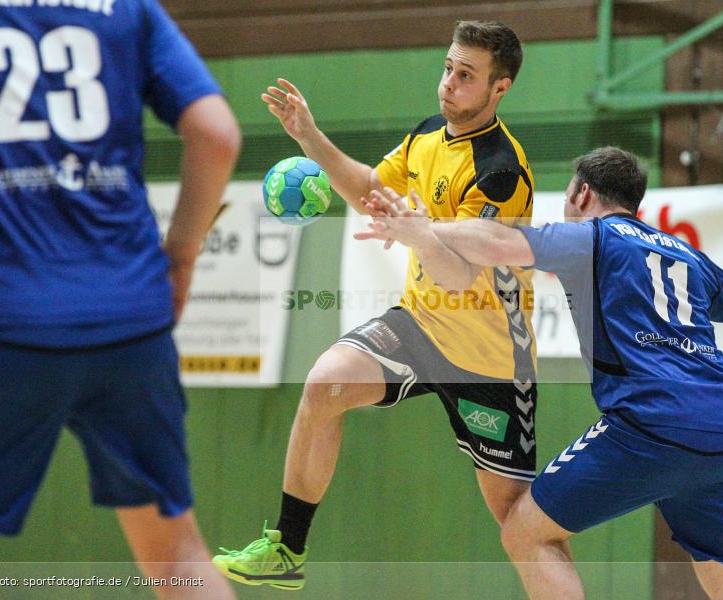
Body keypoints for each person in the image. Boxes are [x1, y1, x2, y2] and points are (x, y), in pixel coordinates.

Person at [357, 146, 723, 600]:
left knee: (525, 533)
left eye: (567, 195)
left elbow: (500, 243)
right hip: (720, 429)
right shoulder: (686, 254)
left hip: (650, 423)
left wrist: (423, 228)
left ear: (582, 194)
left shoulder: (593, 238)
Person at [213, 20, 540, 590]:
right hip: (420, 325)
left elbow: (462, 276)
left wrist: (416, 234)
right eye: (447, 68)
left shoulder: (500, 173)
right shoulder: (426, 136)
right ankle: (288, 548)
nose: (449, 84)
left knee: (516, 522)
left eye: (466, 76)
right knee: (324, 384)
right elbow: (370, 187)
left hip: (488, 360)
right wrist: (309, 138)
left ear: (499, 89)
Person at [0, 2, 240, 599]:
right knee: (178, 555)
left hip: (2, 321)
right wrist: (182, 255)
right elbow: (217, 135)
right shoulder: (130, 8)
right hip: (131, 319)